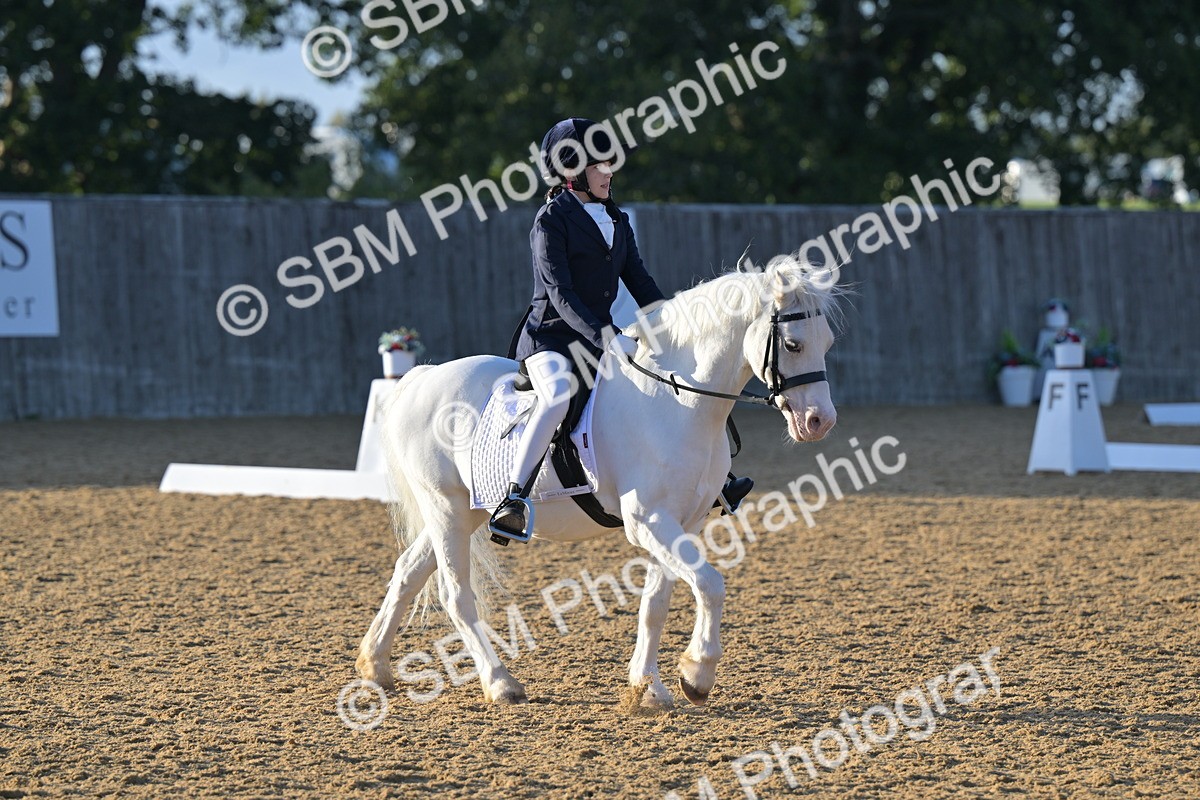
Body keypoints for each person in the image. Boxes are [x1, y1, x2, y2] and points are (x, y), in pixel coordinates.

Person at [489, 118, 753, 542]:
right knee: (557, 396)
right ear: (572, 171)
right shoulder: (550, 220)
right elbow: (560, 294)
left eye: (610, 164)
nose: (609, 172)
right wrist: (606, 336)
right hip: (551, 338)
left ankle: (715, 479)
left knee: (675, 377)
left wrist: (675, 326)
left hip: (600, 335)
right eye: (600, 165)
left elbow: (641, 282)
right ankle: (514, 497)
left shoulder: (616, 218)